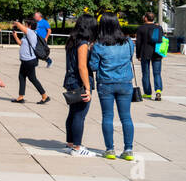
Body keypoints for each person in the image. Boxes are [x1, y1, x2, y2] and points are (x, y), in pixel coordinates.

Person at [90, 14, 136, 161]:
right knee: (126, 117)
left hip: (106, 84)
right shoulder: (129, 42)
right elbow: (129, 59)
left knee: (107, 116)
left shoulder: (98, 45)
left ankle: (110, 149)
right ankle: (128, 150)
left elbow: (93, 66)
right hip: (125, 83)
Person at [63, 13, 98, 157]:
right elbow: (82, 67)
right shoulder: (82, 43)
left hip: (71, 80)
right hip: (79, 82)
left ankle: (70, 143)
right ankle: (77, 147)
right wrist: (87, 88)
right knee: (80, 115)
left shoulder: (72, 40)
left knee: (72, 113)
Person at [10, 19, 49, 104]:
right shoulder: (26, 35)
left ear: (30, 26)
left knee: (32, 78)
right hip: (25, 60)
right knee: (22, 77)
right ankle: (20, 97)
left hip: (29, 60)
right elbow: (21, 44)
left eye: (26, 24)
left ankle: (44, 96)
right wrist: (15, 36)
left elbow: (20, 26)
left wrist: (16, 23)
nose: (24, 26)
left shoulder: (31, 33)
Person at [135, 12, 165, 101]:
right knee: (157, 73)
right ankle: (158, 91)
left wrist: (138, 55)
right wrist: (162, 53)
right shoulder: (159, 28)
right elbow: (162, 40)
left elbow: (138, 43)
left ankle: (147, 93)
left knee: (145, 73)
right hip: (157, 53)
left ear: (146, 18)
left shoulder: (141, 28)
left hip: (145, 53)